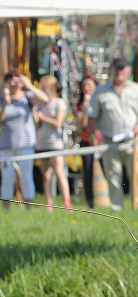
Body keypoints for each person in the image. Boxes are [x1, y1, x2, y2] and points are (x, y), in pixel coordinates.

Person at [0, 69, 49, 210]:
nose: (12, 83)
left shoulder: (28, 97)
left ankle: (29, 207)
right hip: (6, 146)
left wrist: (29, 86)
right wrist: (5, 105)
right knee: (7, 178)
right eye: (9, 80)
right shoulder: (1, 99)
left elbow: (45, 100)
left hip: (26, 145)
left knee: (26, 177)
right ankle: (6, 208)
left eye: (16, 80)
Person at [87, 57, 138, 211]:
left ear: (128, 71)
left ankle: (136, 207)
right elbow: (91, 116)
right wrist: (92, 135)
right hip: (110, 142)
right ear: (112, 70)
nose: (119, 72)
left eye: (122, 69)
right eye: (116, 69)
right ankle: (117, 211)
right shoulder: (101, 91)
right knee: (114, 178)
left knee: (136, 176)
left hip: (133, 141)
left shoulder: (136, 89)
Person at [33, 75, 73, 211]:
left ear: (53, 88)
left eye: (44, 88)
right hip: (42, 143)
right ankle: (49, 203)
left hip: (55, 144)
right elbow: (38, 125)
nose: (42, 90)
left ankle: (67, 202)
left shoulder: (59, 103)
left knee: (59, 172)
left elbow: (58, 123)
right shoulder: (39, 104)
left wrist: (42, 117)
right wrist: (35, 116)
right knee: (46, 175)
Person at [75, 74, 101, 208]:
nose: (86, 88)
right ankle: (90, 202)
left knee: (106, 169)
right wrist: (85, 109)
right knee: (87, 171)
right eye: (84, 86)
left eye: (88, 85)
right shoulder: (80, 105)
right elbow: (81, 126)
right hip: (86, 141)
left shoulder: (102, 100)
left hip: (102, 140)